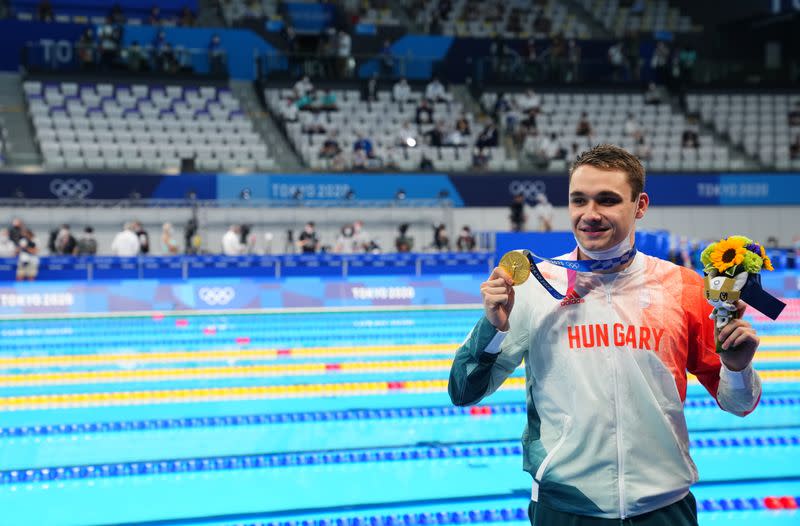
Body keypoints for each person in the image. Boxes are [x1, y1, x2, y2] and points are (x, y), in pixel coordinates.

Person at [449, 144, 762, 526]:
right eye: (578, 200)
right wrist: (494, 330)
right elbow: (463, 392)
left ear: (640, 205)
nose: (590, 214)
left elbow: (739, 404)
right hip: (566, 508)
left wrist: (736, 367)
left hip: (664, 508)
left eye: (607, 200)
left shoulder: (682, 286)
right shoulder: (532, 286)